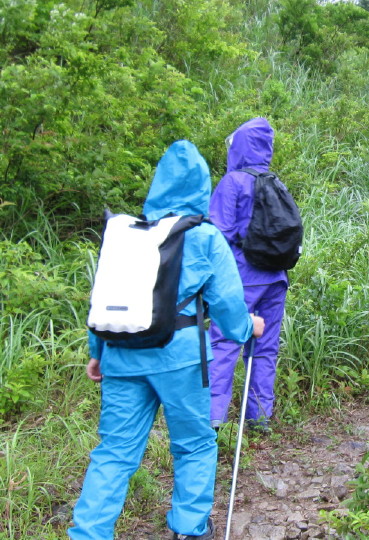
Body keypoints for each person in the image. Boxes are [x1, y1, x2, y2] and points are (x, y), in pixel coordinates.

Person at [69, 140, 265, 540]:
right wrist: (248, 329)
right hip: (180, 361)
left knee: (114, 452)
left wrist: (98, 353)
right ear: (202, 188)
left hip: (122, 357)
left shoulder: (125, 234)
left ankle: (88, 533)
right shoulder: (203, 235)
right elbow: (228, 305)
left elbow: (103, 296)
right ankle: (190, 528)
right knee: (193, 445)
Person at [208, 117, 288, 432]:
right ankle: (259, 417)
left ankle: (213, 417)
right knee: (265, 347)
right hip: (276, 279)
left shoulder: (233, 182)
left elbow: (217, 235)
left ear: (239, 145)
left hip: (241, 278)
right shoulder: (275, 181)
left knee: (227, 340)